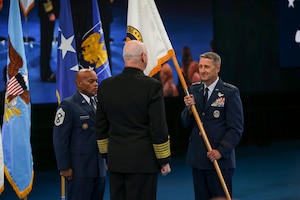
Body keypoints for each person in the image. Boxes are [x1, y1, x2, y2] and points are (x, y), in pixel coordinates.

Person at [95, 40, 171, 200]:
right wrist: (163, 160)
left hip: (116, 161)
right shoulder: (152, 86)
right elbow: (158, 127)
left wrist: (106, 156)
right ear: (143, 57)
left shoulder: (106, 86)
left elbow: (101, 126)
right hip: (143, 162)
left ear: (124, 58)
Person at [181, 51, 244, 200]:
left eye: (207, 67)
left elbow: (236, 128)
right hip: (198, 158)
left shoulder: (230, 92)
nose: (202, 70)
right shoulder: (194, 90)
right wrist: (189, 110)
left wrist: (220, 151)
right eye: (201, 66)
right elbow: (184, 123)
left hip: (219, 160)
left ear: (217, 69)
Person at [53, 68, 106, 200]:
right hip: (79, 169)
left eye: (96, 81)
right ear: (79, 84)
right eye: (91, 81)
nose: (96, 84)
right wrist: (64, 166)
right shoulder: (68, 105)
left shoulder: (99, 103)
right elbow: (60, 138)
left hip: (99, 168)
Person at [38, 0, 60, 82]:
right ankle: (45, 74)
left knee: (47, 44)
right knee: (46, 45)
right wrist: (50, 12)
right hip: (47, 15)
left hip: (48, 14)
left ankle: (46, 72)